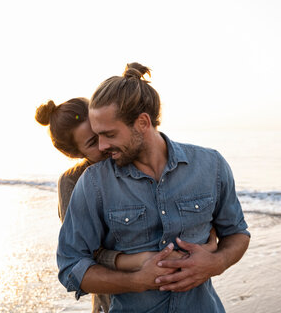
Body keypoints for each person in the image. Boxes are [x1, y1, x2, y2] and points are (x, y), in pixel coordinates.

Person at [57, 63, 251, 312]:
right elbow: (70, 266)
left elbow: (237, 232)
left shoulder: (211, 165)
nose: (102, 146)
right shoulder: (94, 182)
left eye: (110, 135)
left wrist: (216, 262)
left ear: (142, 123)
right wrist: (135, 281)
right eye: (97, 137)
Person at [36, 97, 218, 312]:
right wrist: (136, 262)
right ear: (75, 154)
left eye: (105, 132)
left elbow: (189, 215)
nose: (105, 144)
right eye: (93, 142)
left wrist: (210, 246)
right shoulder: (75, 182)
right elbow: (83, 253)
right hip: (114, 299)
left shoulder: (139, 160)